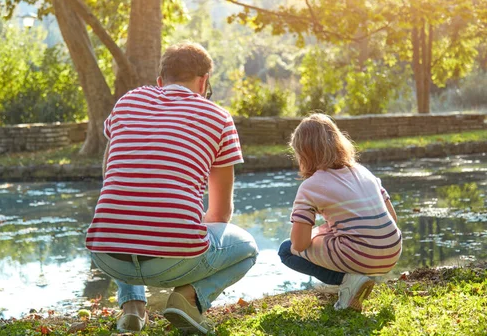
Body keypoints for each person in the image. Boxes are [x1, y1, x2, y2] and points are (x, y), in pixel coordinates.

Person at [85, 42, 258, 334]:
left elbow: (111, 178)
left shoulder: (128, 102)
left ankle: (132, 308)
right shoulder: (218, 118)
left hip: (106, 253)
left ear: (160, 81)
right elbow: (220, 213)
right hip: (173, 262)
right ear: (204, 81)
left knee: (128, 209)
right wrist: (179, 230)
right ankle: (187, 298)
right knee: (249, 249)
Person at [278, 113, 401, 311]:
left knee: (286, 250)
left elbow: (299, 244)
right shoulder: (363, 171)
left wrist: (317, 231)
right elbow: (392, 218)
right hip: (392, 251)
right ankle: (352, 281)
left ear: (304, 153)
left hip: (361, 255)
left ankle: (347, 281)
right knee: (328, 234)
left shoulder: (311, 186)